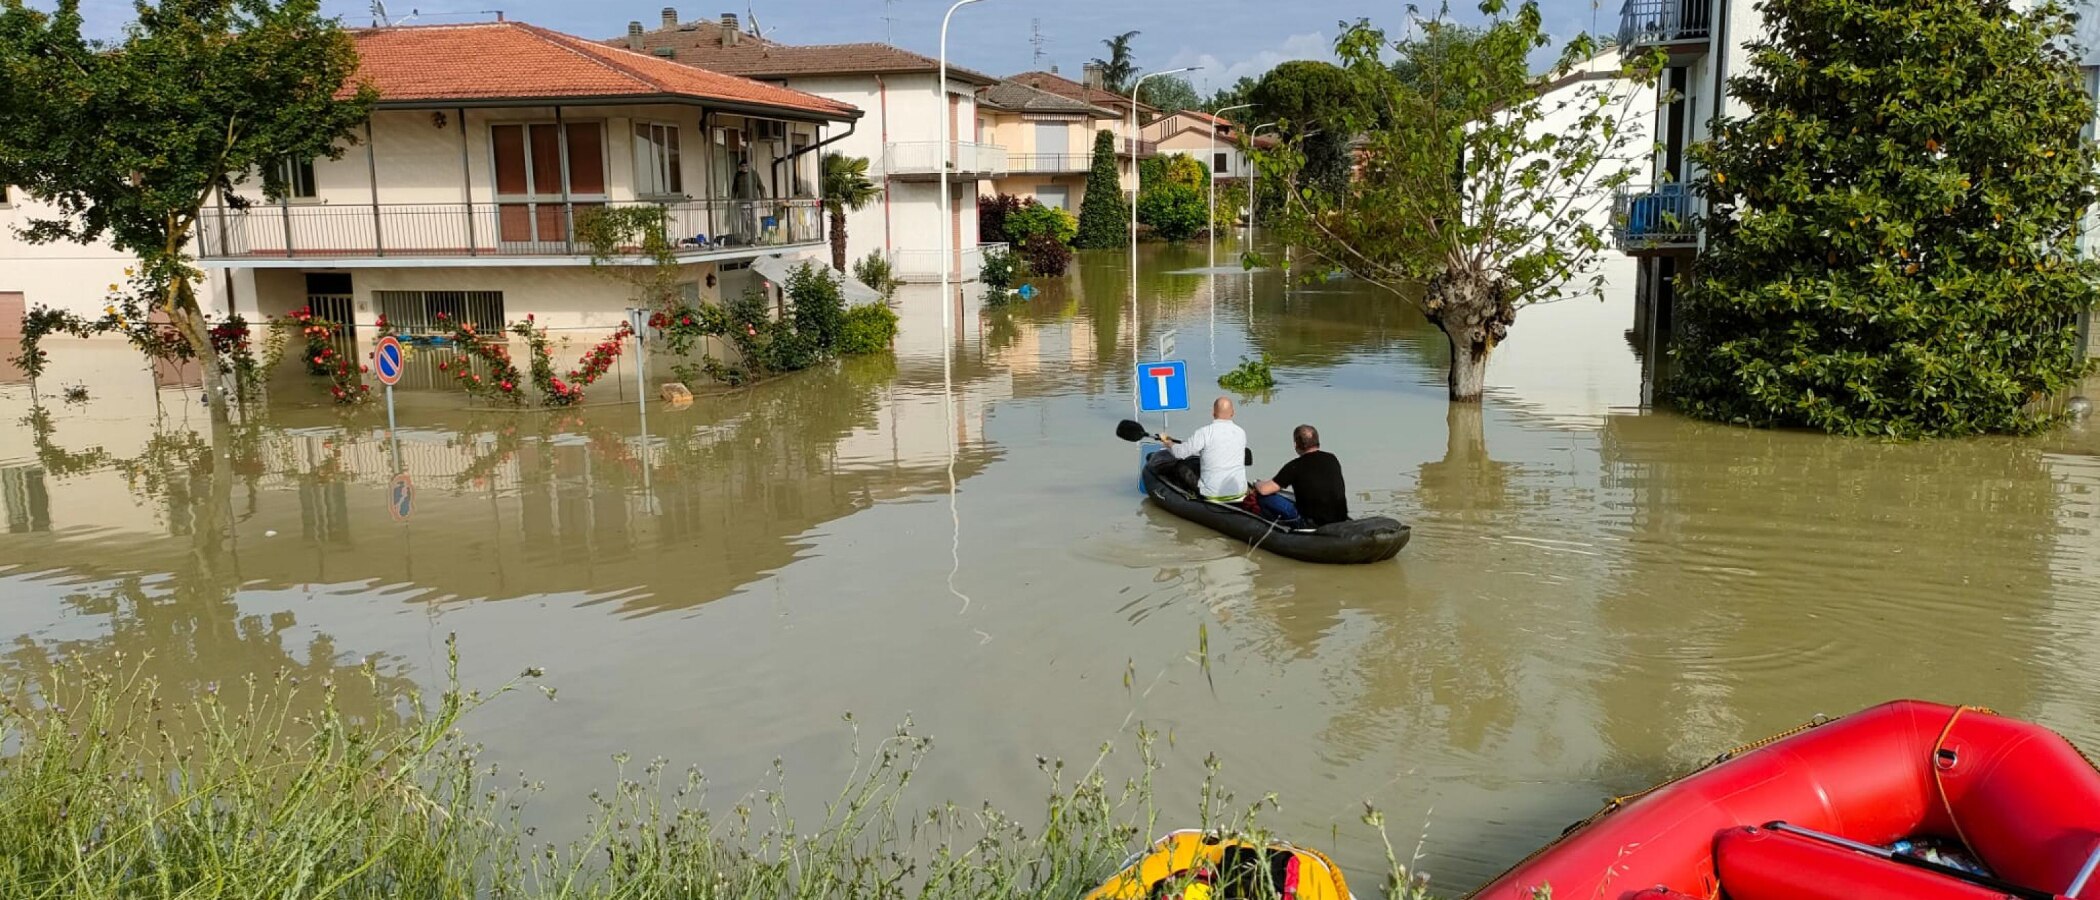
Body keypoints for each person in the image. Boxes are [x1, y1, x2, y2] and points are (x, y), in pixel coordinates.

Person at [1253, 424, 1349, 527]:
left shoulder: (1295, 466)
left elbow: (1264, 490)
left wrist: (1256, 483)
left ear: (1295, 444)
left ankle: (1273, 524)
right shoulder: (1332, 458)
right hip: (1339, 518)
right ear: (1317, 441)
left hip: (1310, 522)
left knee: (1264, 498)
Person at [1160, 396, 1249, 502]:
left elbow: (1180, 453)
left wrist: (1169, 444)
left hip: (1212, 494)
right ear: (1233, 413)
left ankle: (1186, 496)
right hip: (1239, 493)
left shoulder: (1204, 433)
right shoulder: (1241, 433)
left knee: (1181, 467)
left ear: (1213, 413)